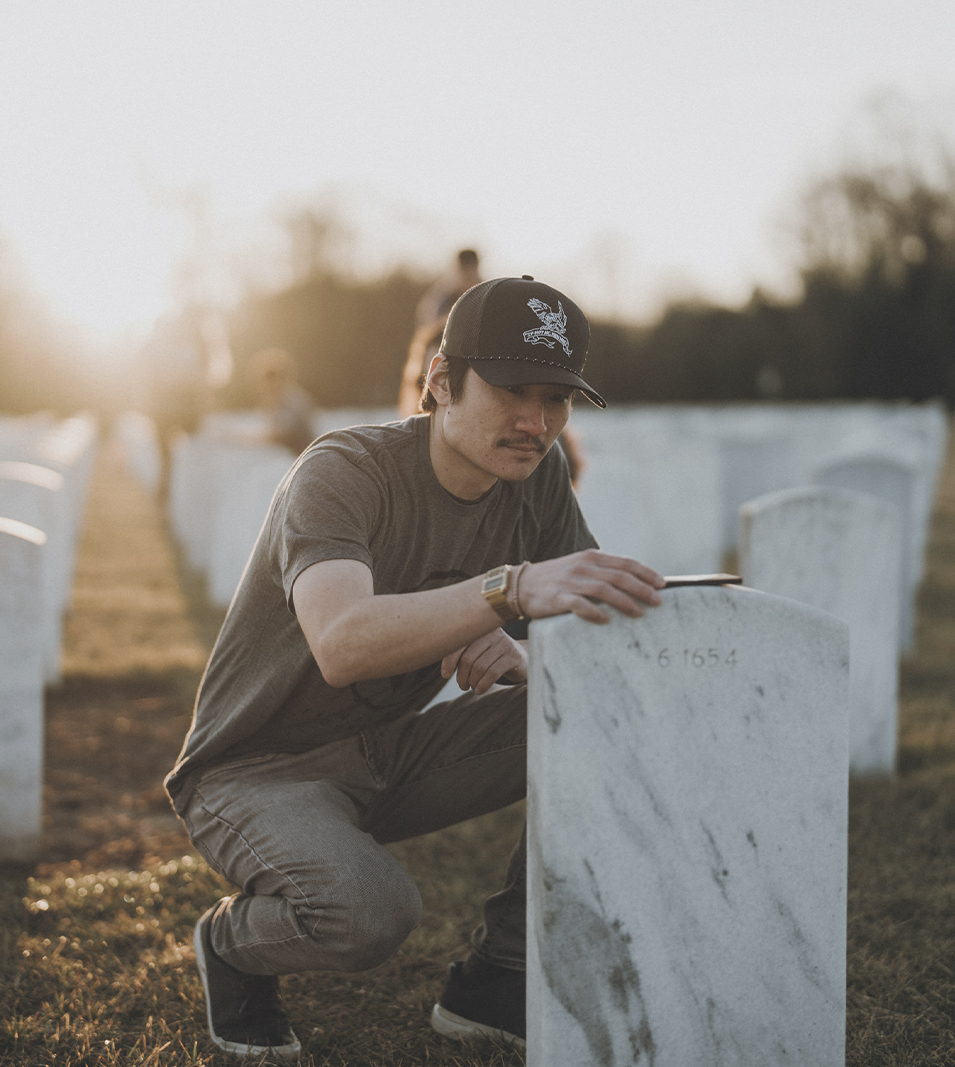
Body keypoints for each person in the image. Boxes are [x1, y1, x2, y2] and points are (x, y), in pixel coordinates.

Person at [164, 275, 664, 1058]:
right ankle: (230, 944)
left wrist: (530, 653)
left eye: (557, 398)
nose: (536, 422)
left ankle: (497, 978)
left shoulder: (536, 489)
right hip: (253, 771)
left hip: (380, 757)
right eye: (510, 390)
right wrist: (510, 589)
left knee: (603, 718)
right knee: (368, 914)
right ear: (440, 380)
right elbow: (342, 642)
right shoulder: (343, 471)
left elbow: (601, 650)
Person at [397, 248, 482, 417]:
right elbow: (426, 338)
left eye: (470, 271)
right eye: (464, 272)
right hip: (440, 353)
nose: (467, 277)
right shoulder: (441, 300)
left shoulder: (485, 296)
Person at [248, 347, 318, 458]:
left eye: (267, 378)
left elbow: (278, 436)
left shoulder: (292, 400)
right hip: (299, 458)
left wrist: (240, 439)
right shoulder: (283, 399)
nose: (262, 386)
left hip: (304, 459)